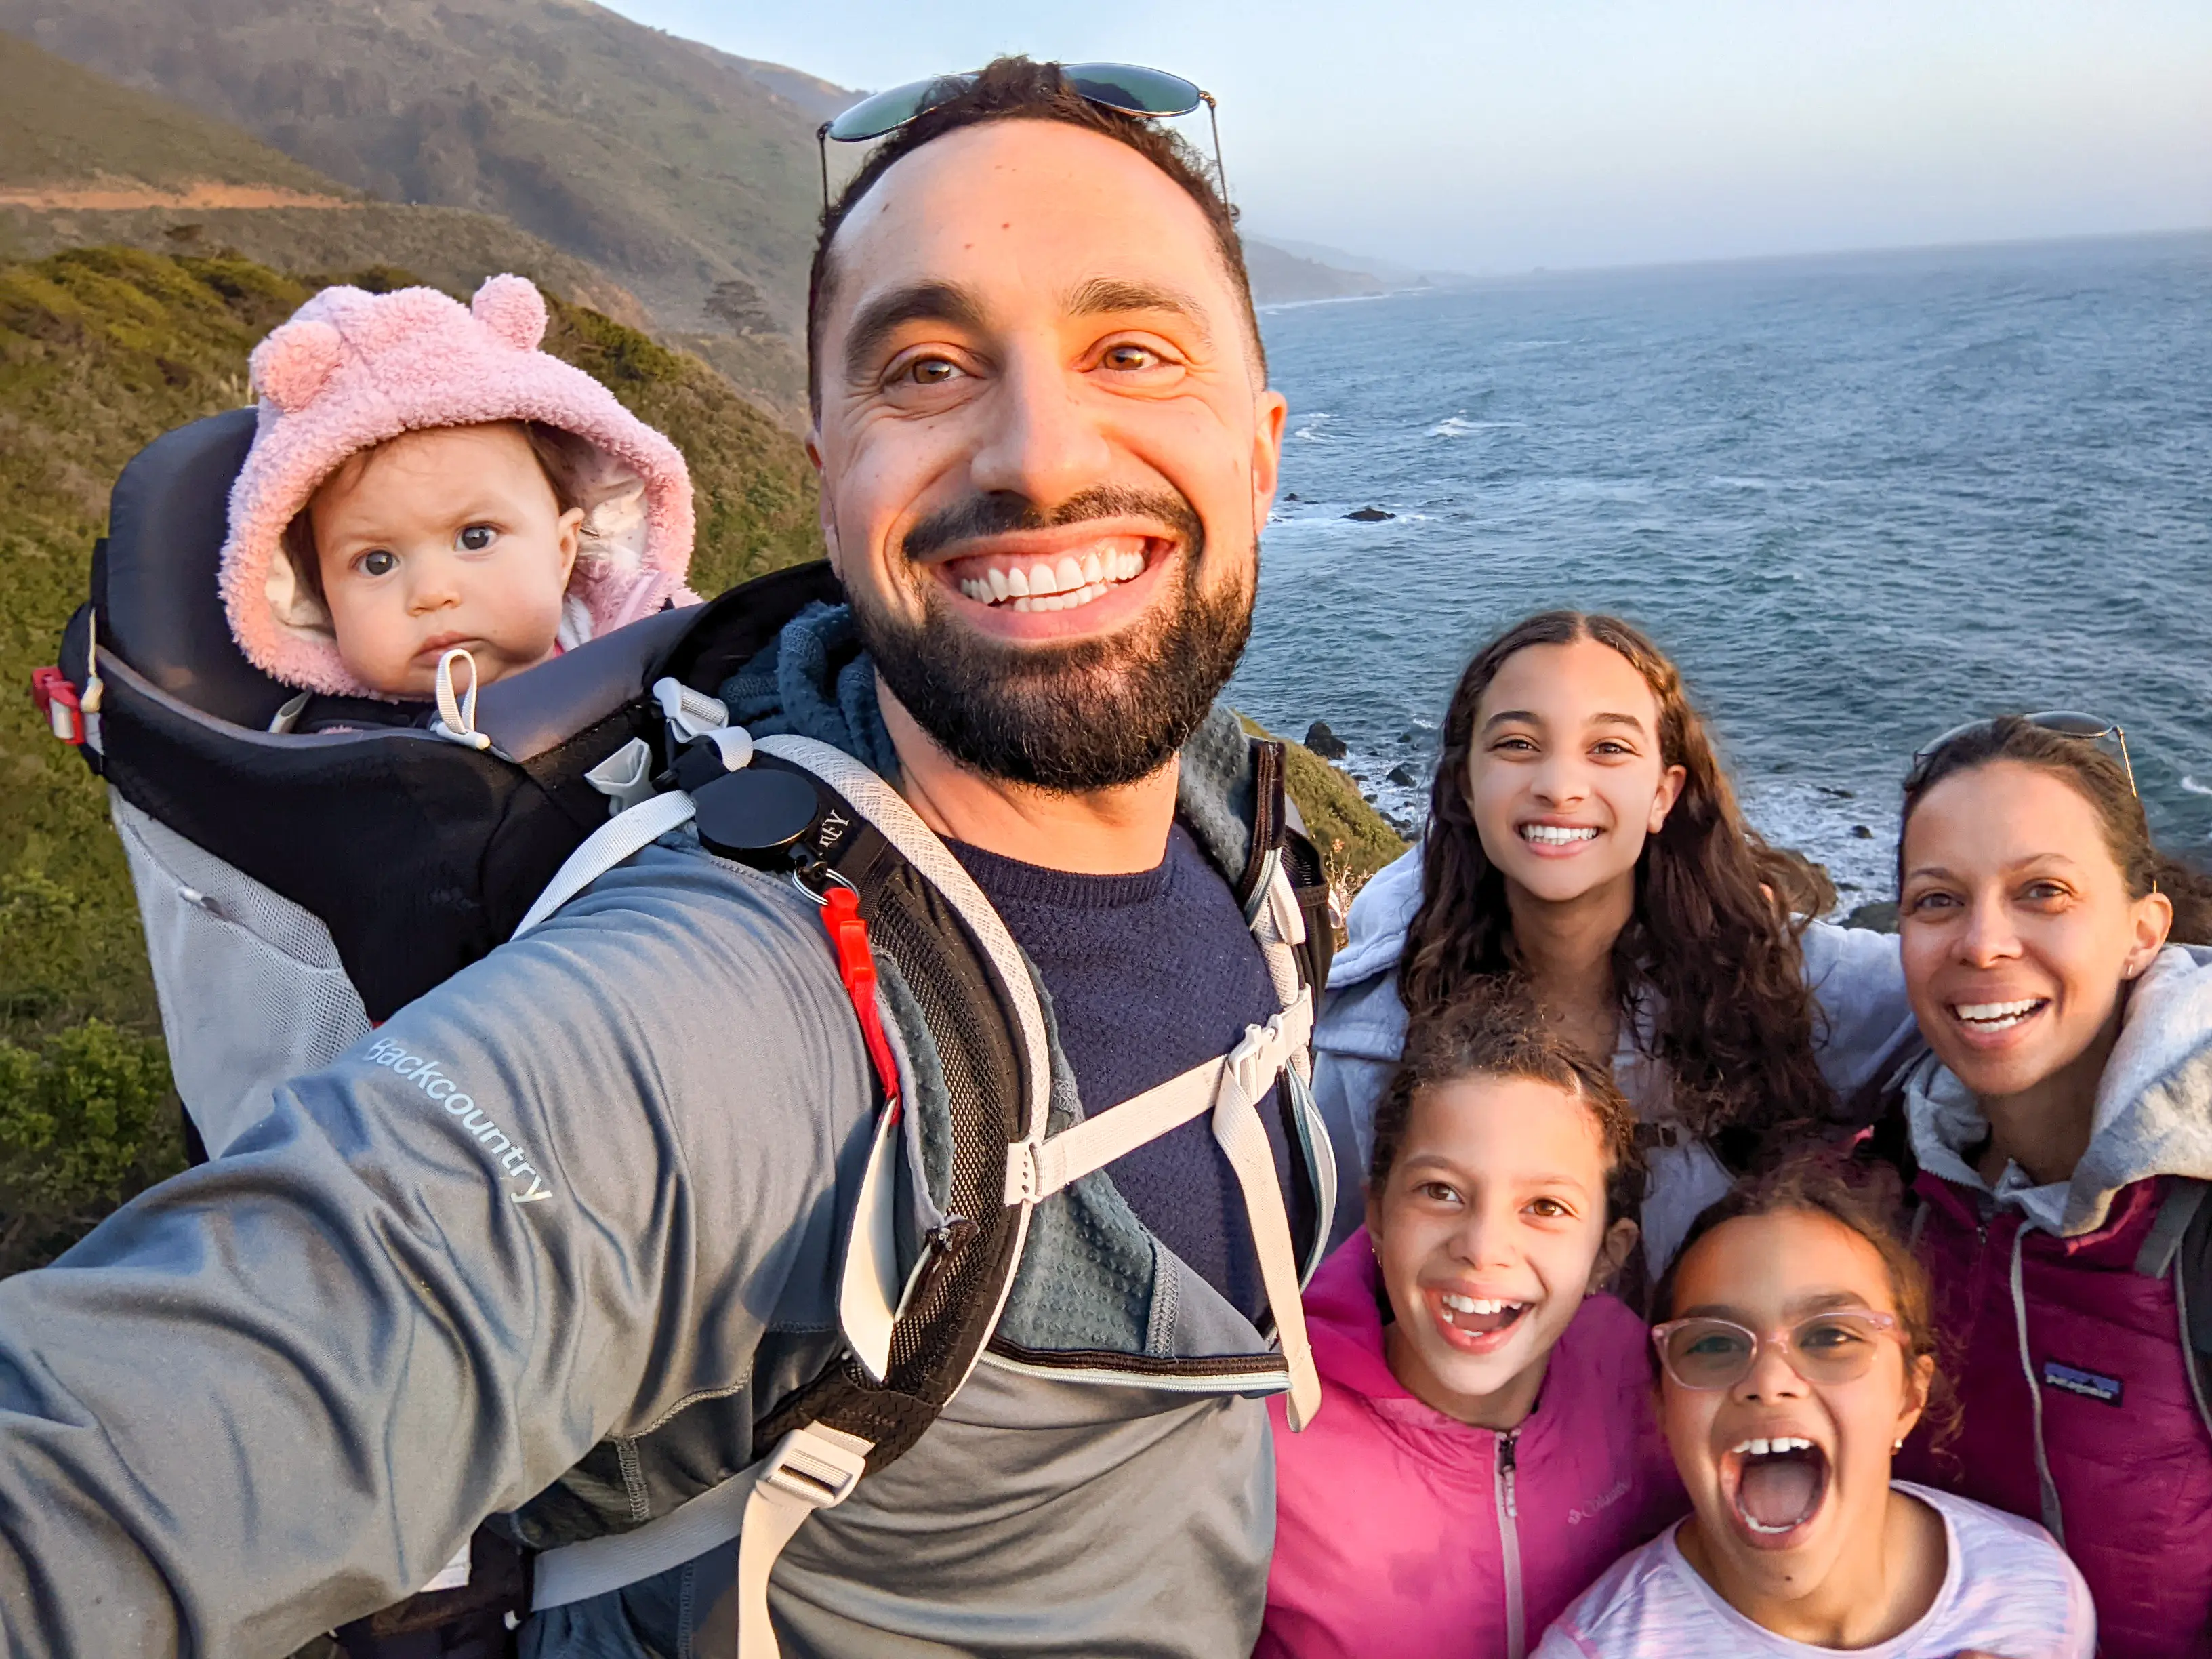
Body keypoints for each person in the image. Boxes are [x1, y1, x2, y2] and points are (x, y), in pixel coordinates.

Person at [0, 60, 1328, 1658]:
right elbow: (147, 1433)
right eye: (923, 366)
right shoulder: (712, 1018)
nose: (1038, 453)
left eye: (1131, 349)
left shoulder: (1232, 823)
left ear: (1259, 449)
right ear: (826, 464)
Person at [1315, 611, 1913, 1286]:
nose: (1561, 786)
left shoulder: (1775, 978)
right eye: (1516, 744)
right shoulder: (1378, 1027)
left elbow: (1959, 1005)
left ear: (1664, 793)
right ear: (1464, 784)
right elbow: (1329, 1285)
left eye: (1609, 749)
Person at [1875, 715, 2212, 1656]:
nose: (1984, 944)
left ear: (2143, 932)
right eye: (1938, 901)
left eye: (2043, 892)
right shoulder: (1888, 1187)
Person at [1259, 986, 1683, 1659]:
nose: (1483, 1247)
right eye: (1441, 1192)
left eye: (1545, 1206)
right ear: (1376, 1216)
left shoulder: (1641, 1389)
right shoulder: (1265, 1433)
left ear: (1608, 1253)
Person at [1539, 1158, 2095, 1658]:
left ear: (1909, 1396)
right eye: (1714, 1343)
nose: (1770, 1380)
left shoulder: (2037, 1592)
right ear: (1663, 1408)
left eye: (1831, 1337)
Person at [220, 272, 697, 720]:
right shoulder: (342, 764)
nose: (432, 593)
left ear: (561, 551)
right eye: (377, 562)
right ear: (317, 597)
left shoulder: (654, 644)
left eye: (475, 537)